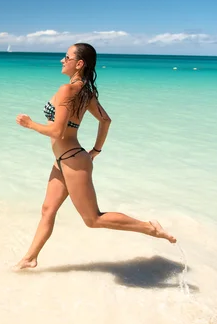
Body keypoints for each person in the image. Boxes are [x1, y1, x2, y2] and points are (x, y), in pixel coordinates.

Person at [14, 43, 176, 270]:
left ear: (79, 64)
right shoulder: (85, 92)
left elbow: (57, 131)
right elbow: (105, 120)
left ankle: (150, 227)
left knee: (93, 219)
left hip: (72, 160)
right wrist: (95, 151)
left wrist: (30, 124)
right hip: (65, 160)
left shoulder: (66, 90)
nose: (62, 60)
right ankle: (29, 259)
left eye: (67, 57)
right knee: (47, 210)